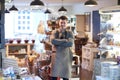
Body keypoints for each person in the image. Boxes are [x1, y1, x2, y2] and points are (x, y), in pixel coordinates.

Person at [50, 16, 74, 80]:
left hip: (66, 57)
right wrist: (65, 40)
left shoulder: (70, 33)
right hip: (56, 57)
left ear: (67, 23)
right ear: (58, 23)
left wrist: (58, 42)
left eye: (64, 22)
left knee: (65, 77)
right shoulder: (54, 32)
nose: (62, 24)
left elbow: (70, 44)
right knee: (54, 77)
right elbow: (53, 41)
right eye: (61, 22)